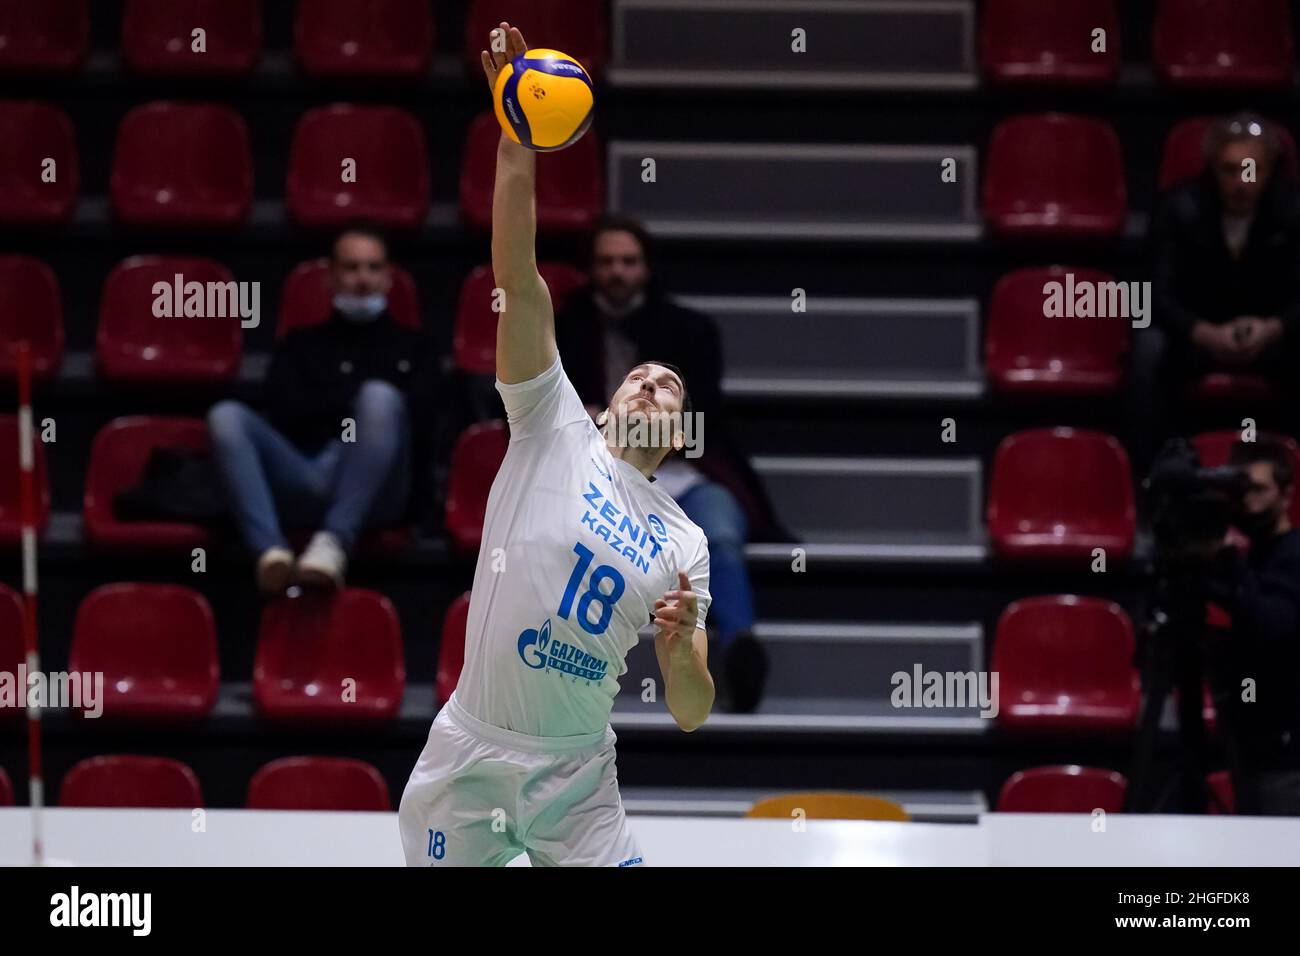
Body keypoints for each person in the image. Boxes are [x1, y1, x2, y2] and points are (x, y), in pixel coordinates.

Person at [399, 22, 714, 867]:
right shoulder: (552, 422)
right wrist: (515, 135)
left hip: (578, 783)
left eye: (670, 386)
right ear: (611, 401)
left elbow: (690, 711)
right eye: (640, 375)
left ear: (677, 429)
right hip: (470, 757)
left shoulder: (685, 540)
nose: (651, 384)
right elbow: (517, 273)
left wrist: (681, 648)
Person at [556, 215, 785, 712]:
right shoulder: (564, 325)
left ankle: (740, 644)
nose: (618, 271)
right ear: (590, 268)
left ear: (647, 267)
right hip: (589, 473)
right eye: (606, 261)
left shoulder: (690, 330)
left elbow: (707, 425)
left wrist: (644, 429)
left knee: (721, 531)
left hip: (681, 474)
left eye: (629, 261)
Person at [208, 223, 435, 592]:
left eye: (373, 267)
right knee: (226, 417)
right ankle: (269, 552)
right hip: (306, 474)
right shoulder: (301, 344)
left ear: (389, 278)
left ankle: (333, 541)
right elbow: (284, 411)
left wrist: (342, 401)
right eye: (351, 267)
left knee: (379, 398)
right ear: (330, 276)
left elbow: (421, 426)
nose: (362, 279)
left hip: (377, 493)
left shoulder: (415, 348)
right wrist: (348, 404)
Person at [1129, 112, 1300, 470]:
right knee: (1148, 349)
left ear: (1270, 169)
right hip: (1196, 337)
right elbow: (1154, 293)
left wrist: (1274, 327)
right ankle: (1158, 479)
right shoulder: (1177, 207)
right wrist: (1202, 331)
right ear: (1212, 168)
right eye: (1229, 170)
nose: (1241, 182)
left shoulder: (1293, 211)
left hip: (1271, 337)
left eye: (1251, 170)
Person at [1205, 438, 1300, 815]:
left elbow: (1272, 623)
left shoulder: (1294, 553)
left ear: (1287, 495)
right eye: (1242, 490)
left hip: (1286, 752)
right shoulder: (1253, 555)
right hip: (1252, 743)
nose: (1249, 501)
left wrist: (1233, 566)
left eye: (1260, 489)